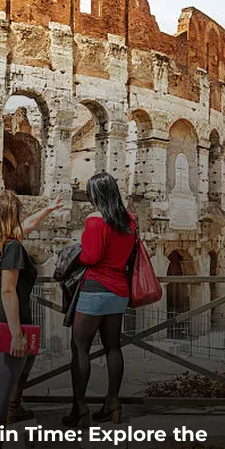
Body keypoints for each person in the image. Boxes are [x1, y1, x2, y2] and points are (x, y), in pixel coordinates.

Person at [0, 190, 63, 449]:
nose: (25, 216)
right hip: (7, 319)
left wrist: (48, 210)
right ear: (13, 215)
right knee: (1, 391)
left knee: (10, 378)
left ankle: (9, 418)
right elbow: (8, 290)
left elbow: (25, 228)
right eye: (21, 211)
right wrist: (16, 333)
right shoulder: (14, 248)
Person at [62, 172, 136, 428]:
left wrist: (74, 254)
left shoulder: (96, 220)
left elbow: (91, 257)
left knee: (80, 348)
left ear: (97, 195)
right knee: (113, 347)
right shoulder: (129, 221)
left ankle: (79, 408)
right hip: (119, 290)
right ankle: (112, 402)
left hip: (95, 288)